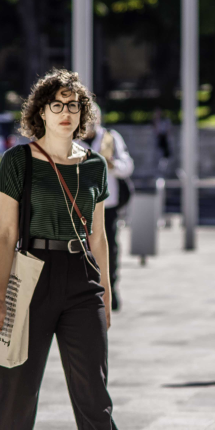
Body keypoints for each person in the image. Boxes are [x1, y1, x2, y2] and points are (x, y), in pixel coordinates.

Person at [0, 68, 137, 430]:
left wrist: (105, 293)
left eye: (74, 105)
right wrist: (0, 297)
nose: (66, 113)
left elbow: (100, 235)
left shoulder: (95, 165)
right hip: (32, 274)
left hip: (82, 276)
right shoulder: (19, 161)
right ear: (40, 112)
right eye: (57, 105)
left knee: (93, 385)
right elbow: (6, 233)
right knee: (18, 380)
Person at [83, 103, 134, 310]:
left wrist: (112, 165)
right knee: (83, 250)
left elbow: (127, 167)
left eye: (92, 118)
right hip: (81, 206)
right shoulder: (71, 140)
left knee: (109, 249)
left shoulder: (110, 138)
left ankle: (110, 289)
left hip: (107, 205)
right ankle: (87, 291)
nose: (89, 122)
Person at [153, 107, 172, 176]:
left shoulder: (166, 121)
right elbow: (156, 131)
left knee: (165, 157)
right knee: (159, 157)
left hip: (164, 141)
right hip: (159, 141)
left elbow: (167, 131)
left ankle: (164, 171)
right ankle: (160, 172)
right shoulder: (156, 121)